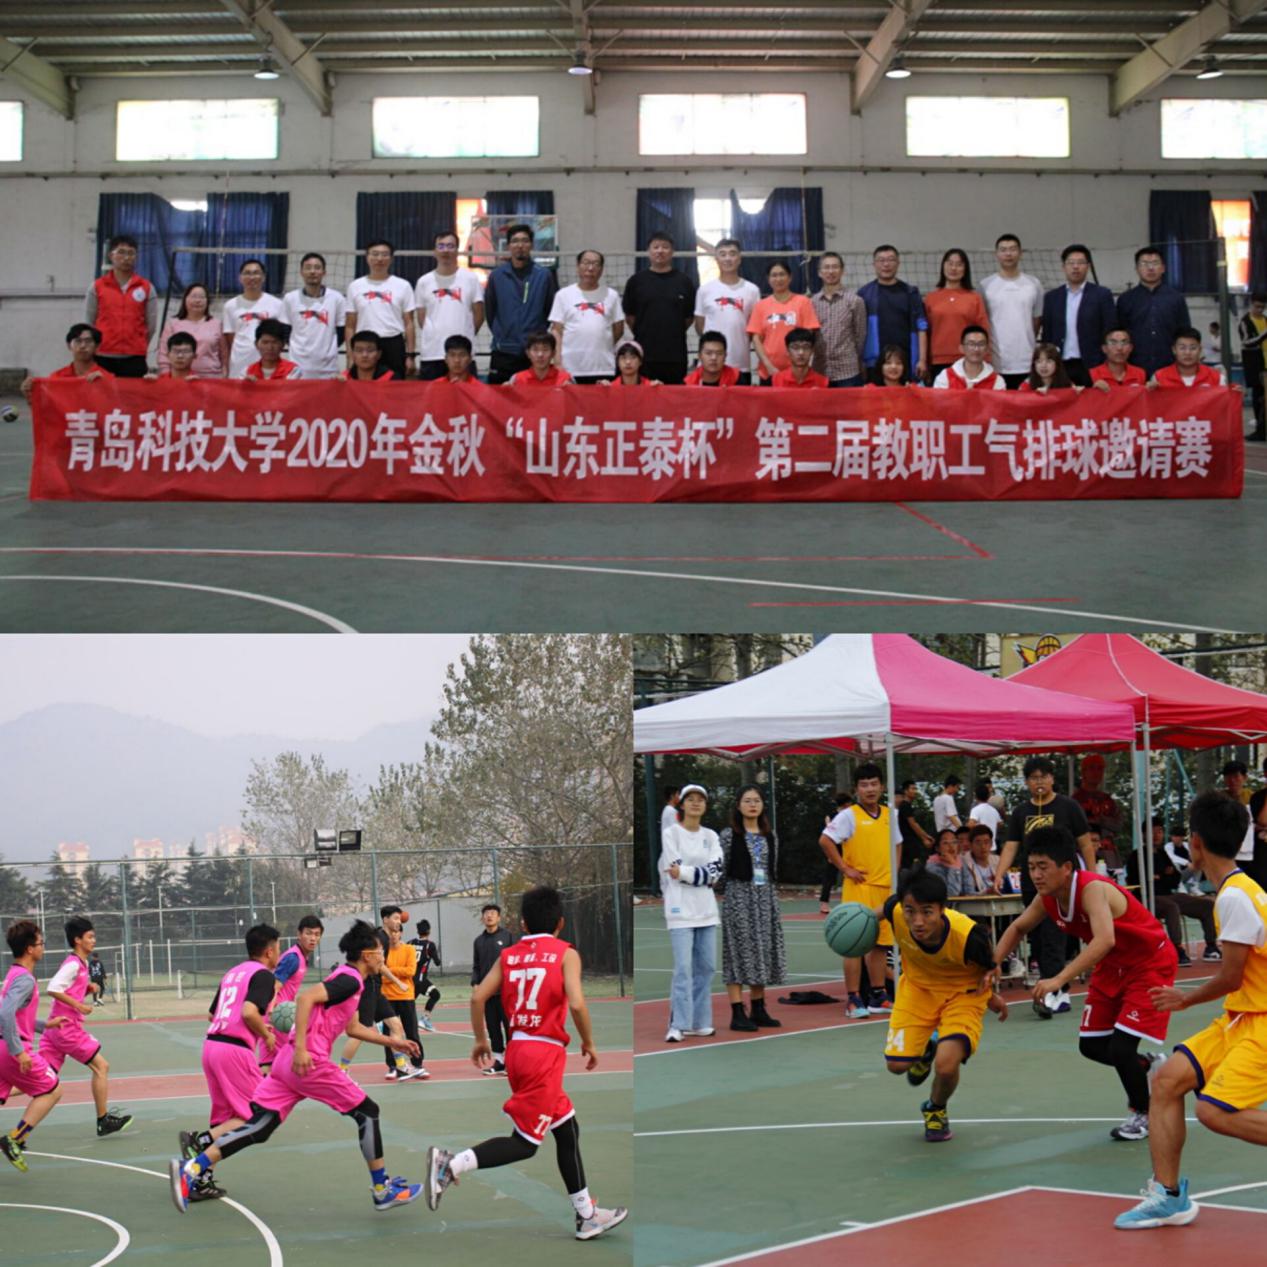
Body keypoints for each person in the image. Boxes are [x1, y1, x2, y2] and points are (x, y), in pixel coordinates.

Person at [171, 920, 425, 1214]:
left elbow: (353, 1028)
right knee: (368, 1112)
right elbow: (305, 998)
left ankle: (192, 1169)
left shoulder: (350, 980)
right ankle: (382, 1189)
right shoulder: (351, 980)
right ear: (367, 955)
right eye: (381, 951)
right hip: (309, 1061)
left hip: (285, 1063)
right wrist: (303, 1048)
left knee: (260, 1126)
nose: (383, 957)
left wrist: (394, 1043)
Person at [425, 885, 628, 1240]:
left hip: (518, 1049)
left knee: (567, 1128)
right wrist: (590, 1043)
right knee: (525, 1143)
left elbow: (477, 997)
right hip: (543, 1055)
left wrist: (481, 1040)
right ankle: (450, 1164)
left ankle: (586, 1214)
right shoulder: (566, 954)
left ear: (522, 923)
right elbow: (577, 1004)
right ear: (560, 922)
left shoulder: (509, 955)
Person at [1114, 793, 1267, 1230]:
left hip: (1261, 1022)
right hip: (1242, 1017)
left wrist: (1183, 998)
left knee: (1214, 1111)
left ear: (1195, 842)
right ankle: (1168, 1197)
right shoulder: (1239, 891)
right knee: (1167, 1080)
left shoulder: (1235, 897)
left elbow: (1231, 977)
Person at [996, 826, 1174, 1142]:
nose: (1036, 875)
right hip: (1113, 966)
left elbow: (1105, 939)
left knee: (1121, 1047)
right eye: (1031, 867)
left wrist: (1059, 979)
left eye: (1043, 867)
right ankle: (1145, 1065)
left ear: (1066, 867)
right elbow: (1018, 928)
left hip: (1148, 963)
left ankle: (1144, 1113)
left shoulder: (1092, 889)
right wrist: (991, 965)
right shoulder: (1047, 898)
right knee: (1091, 1046)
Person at [879, 868, 1007, 1142]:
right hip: (918, 989)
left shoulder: (970, 937)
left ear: (942, 909)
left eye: (927, 912)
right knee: (897, 1065)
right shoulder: (896, 911)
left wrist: (992, 998)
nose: (918, 921)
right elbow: (878, 912)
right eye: (910, 911)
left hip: (963, 995)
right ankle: (925, 1052)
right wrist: (860, 921)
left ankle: (935, 1108)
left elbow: (988, 969)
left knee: (947, 1065)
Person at [177, 922, 282, 1203]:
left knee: (225, 1120)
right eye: (278, 948)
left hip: (212, 1046)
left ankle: (200, 1179)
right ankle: (199, 1142)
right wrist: (266, 1035)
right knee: (255, 1117)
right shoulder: (263, 975)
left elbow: (213, 1015)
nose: (279, 954)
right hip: (234, 1051)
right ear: (269, 951)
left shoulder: (233, 973)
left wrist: (254, 1025)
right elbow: (248, 1012)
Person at [992, 755, 1097, 1016]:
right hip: (1033, 884)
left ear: (1052, 779)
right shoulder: (1021, 812)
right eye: (1033, 778)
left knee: (1054, 932)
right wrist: (999, 874)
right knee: (1036, 936)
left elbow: (1085, 843)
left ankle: (1057, 992)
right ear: (1027, 782)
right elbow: (1011, 846)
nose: (1039, 782)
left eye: (1043, 777)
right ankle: (1051, 986)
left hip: (1062, 884)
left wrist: (1093, 875)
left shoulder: (1068, 807)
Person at [40, 916, 132, 1139]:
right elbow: (53, 988)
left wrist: (86, 989)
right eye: (90, 937)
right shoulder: (73, 964)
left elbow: (68, 989)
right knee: (101, 1066)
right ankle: (103, 1120)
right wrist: (79, 1005)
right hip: (66, 1029)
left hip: (55, 1030)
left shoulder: (80, 965)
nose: (94, 940)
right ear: (77, 940)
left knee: (41, 1077)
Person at [820, 762, 895, 1019]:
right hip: (860, 887)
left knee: (881, 945)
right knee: (854, 943)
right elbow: (825, 840)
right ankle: (853, 998)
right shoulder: (848, 815)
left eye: (874, 784)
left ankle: (878, 995)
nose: (870, 789)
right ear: (856, 789)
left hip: (885, 888)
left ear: (882, 786)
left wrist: (895, 874)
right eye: (864, 785)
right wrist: (844, 868)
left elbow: (897, 844)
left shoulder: (890, 814)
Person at [718, 784, 786, 1032]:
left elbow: (771, 867)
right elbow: (722, 868)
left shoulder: (770, 835)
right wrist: (730, 893)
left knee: (762, 951)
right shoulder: (728, 835)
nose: (752, 805)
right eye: (747, 800)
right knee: (738, 953)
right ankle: (737, 1011)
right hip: (739, 898)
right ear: (738, 805)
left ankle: (758, 1007)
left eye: (756, 800)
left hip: (765, 897)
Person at [0, 920, 67, 1172]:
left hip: (3, 1046)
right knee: (52, 1090)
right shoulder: (25, 980)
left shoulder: (13, 975)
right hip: (12, 1049)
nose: (43, 947)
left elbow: (13, 1014)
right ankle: (15, 1139)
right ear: (30, 948)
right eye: (40, 943)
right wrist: (18, 1051)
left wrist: (45, 1025)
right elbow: (5, 1013)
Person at [659, 783, 723, 1042]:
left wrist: (687, 873)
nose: (696, 803)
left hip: (707, 911)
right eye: (690, 799)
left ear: (705, 806)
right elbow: (673, 868)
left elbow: (716, 871)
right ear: (682, 804)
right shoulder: (671, 833)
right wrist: (697, 874)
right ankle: (678, 1024)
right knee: (683, 969)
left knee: (706, 968)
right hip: (679, 911)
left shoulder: (711, 836)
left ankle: (699, 1022)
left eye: (701, 799)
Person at [339, 906, 422, 1081]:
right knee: (359, 1032)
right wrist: (398, 982)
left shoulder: (382, 937)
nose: (399, 922)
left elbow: (380, 964)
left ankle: (401, 1066)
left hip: (376, 990)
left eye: (399, 919)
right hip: (368, 987)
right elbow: (380, 965)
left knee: (395, 1025)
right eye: (395, 918)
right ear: (385, 920)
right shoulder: (381, 938)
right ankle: (342, 1070)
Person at [1127, 819, 1219, 967]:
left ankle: (1211, 946)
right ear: (1143, 834)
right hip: (1147, 897)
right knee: (1171, 907)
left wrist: (1160, 877)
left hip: (1168, 894)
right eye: (1152, 832)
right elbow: (1136, 880)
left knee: (1207, 905)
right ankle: (1177, 948)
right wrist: (1163, 876)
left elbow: (1175, 879)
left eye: (1159, 831)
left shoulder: (1163, 854)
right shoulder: (1136, 856)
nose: (1156, 835)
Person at [484, 223, 558, 384]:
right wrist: (503, 335)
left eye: (525, 241)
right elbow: (490, 311)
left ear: (531, 245)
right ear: (508, 246)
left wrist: (534, 337)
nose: (520, 245)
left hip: (533, 353)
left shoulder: (544, 275)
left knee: (534, 397)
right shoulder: (497, 276)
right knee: (499, 396)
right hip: (503, 351)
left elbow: (550, 311)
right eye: (515, 241)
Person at [621, 232, 696, 384]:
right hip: (644, 355)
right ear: (648, 251)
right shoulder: (636, 281)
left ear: (672, 251)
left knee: (674, 396)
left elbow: (688, 318)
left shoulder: (684, 281)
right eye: (656, 247)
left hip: (675, 355)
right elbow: (630, 317)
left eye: (665, 247)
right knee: (644, 397)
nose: (660, 251)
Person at [1040, 244, 1117, 387]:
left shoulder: (1102, 295)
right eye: (1071, 263)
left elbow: (1109, 330)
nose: (1076, 267)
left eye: (1080, 263)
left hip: (1092, 364)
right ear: (1063, 267)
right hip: (1060, 364)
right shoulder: (1052, 297)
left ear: (1088, 266)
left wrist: (1104, 360)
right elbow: (1047, 334)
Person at [414, 229, 485, 381]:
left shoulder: (471, 279)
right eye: (441, 246)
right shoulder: (424, 282)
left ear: (457, 250)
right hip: (432, 354)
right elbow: (421, 319)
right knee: (433, 396)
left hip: (463, 355)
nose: (445, 250)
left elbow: (479, 315)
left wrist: (464, 336)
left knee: (465, 396)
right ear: (434, 251)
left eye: (450, 246)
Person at [86, 233, 157, 377]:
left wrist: (137, 343)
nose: (126, 257)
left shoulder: (146, 287)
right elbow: (90, 321)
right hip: (103, 355)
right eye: (121, 252)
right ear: (111, 256)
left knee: (133, 393)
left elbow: (151, 325)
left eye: (131, 253)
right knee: (102, 392)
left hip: (135, 357)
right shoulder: (97, 286)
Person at [548, 250, 625, 383]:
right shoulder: (563, 295)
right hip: (570, 367)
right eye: (586, 263)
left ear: (601, 269)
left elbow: (618, 328)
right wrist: (558, 362)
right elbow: (556, 331)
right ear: (577, 267)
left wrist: (601, 342)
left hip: (603, 367)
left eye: (595, 264)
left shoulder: (612, 295)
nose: (590, 268)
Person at [979, 233, 1044, 389]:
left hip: (1027, 361)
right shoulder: (985, 285)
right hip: (996, 362)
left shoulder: (1034, 284)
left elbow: (1037, 320)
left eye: (1013, 249)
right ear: (996, 254)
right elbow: (983, 321)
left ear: (1020, 253)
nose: (1008, 254)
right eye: (1003, 250)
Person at [1116, 246, 1192, 378]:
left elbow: (1185, 333)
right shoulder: (1125, 299)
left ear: (1163, 268)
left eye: (1155, 263)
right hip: (1134, 367)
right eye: (1144, 264)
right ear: (1137, 269)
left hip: (1170, 367)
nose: (1150, 268)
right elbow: (1119, 335)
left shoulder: (1176, 298)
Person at [345, 240, 416, 380]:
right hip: (365, 345)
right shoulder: (355, 286)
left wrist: (411, 355)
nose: (379, 259)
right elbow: (350, 325)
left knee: (394, 388)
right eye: (375, 254)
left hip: (393, 343)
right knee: (363, 389)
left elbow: (409, 323)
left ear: (391, 258)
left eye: (384, 254)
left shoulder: (403, 285)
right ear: (367, 257)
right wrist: (350, 356)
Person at [858, 245, 928, 385]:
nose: (886, 264)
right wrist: (860, 361)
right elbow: (857, 332)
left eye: (891, 260)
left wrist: (922, 360)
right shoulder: (864, 294)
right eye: (881, 260)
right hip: (874, 363)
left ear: (898, 263)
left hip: (907, 361)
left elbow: (921, 327)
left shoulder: (911, 293)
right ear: (874, 264)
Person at [694, 238, 759, 383]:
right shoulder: (704, 290)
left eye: (732, 254)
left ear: (739, 258)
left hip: (740, 364)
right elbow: (700, 325)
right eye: (722, 254)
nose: (728, 258)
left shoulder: (752, 290)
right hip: (710, 367)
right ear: (716, 258)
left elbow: (754, 328)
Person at [264, 914, 324, 1069]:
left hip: (283, 1013)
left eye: (317, 934)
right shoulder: (293, 958)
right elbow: (275, 985)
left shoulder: (302, 957)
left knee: (276, 1063)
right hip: (277, 1015)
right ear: (299, 934)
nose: (313, 938)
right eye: (308, 933)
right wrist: (271, 1011)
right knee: (286, 1061)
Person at [746, 260, 820, 384]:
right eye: (774, 275)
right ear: (768, 279)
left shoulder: (803, 302)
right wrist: (768, 366)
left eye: (782, 274)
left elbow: (809, 335)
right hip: (768, 372)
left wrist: (799, 363)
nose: (778, 279)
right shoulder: (760, 306)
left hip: (797, 372)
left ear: (790, 277)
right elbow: (756, 339)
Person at [923, 248, 990, 384]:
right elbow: (925, 332)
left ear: (965, 269)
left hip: (969, 360)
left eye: (959, 264)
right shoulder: (930, 298)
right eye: (950, 263)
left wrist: (987, 359)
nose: (954, 268)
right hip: (937, 361)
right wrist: (924, 360)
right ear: (943, 266)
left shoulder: (974, 298)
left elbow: (983, 331)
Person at [282, 252, 347, 379]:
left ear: (324, 272)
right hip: (297, 368)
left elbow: (342, 330)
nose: (312, 272)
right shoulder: (290, 298)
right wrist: (300, 348)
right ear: (301, 272)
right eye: (308, 268)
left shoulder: (337, 298)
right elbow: (285, 330)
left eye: (317, 268)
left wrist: (328, 350)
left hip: (328, 369)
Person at [472, 902, 517, 1073]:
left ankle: (512, 1061)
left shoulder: (508, 937)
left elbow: (515, 961)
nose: (489, 916)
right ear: (482, 918)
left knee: (509, 1027)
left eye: (492, 913)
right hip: (487, 994)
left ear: (499, 917)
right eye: (486, 913)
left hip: (506, 992)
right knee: (493, 1027)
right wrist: (475, 983)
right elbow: (476, 966)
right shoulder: (479, 941)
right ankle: (499, 1062)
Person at [810, 251, 867, 387]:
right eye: (826, 267)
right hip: (820, 370)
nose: (831, 271)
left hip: (848, 372)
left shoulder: (855, 301)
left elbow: (860, 336)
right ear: (819, 272)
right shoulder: (812, 302)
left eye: (835, 267)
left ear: (842, 271)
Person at [221, 258, 284, 379]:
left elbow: (279, 336)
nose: (251, 277)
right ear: (240, 278)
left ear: (263, 277)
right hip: (240, 362)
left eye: (256, 273)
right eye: (247, 273)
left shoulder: (277, 304)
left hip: (268, 364)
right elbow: (230, 339)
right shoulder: (230, 305)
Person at [20, 323, 114, 401]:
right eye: (78, 341)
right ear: (69, 346)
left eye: (88, 341)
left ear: (97, 347)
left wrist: (106, 384)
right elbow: (47, 408)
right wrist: (30, 395)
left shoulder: (106, 377)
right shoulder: (57, 377)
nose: (83, 346)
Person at [382, 919, 427, 1079]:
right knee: (389, 1034)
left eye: (396, 932)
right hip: (387, 997)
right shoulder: (383, 951)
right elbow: (381, 975)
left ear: (401, 933)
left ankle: (417, 1064)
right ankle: (393, 1066)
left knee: (411, 1031)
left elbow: (410, 971)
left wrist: (390, 971)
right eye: (391, 932)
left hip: (406, 996)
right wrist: (393, 974)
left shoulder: (409, 949)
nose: (393, 935)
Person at [158, 282, 223, 377]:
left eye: (202, 297)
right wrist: (166, 376)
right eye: (193, 296)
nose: (197, 300)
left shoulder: (217, 324)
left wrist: (225, 374)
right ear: (185, 299)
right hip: (180, 377)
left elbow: (224, 354)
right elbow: (164, 354)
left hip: (211, 376)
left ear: (207, 301)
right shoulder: (172, 324)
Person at [931, 325, 1005, 390]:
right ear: (961, 348)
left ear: (987, 349)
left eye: (981, 344)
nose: (976, 349)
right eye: (971, 344)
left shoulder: (997, 381)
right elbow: (938, 401)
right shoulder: (945, 377)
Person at [1150, 327, 1228, 388]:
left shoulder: (1217, 378)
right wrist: (1149, 393)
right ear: (1174, 350)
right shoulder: (1159, 378)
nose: (1187, 353)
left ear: (1200, 350)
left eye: (1193, 348)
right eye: (1182, 348)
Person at [1237, 292, 1266, 440]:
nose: (1259, 310)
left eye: (1262, 307)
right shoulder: (1245, 322)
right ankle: (1260, 430)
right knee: (1259, 397)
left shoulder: (1265, 320)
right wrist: (1263, 335)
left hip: (1265, 362)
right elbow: (1247, 342)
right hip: (1255, 365)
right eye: (1257, 307)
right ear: (1251, 304)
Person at [820, 791, 855, 912]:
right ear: (846, 804)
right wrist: (830, 855)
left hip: (849, 849)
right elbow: (829, 836)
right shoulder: (833, 816)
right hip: (836, 849)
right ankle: (824, 903)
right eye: (850, 803)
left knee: (852, 875)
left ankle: (851, 901)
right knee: (830, 876)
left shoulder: (852, 815)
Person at [1072, 755, 1122, 837]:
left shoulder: (1108, 800)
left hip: (1106, 843)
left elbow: (1119, 825)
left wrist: (1102, 820)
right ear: (1083, 772)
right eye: (1092, 768)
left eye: (1100, 768)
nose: (1096, 772)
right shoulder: (1075, 800)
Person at [408, 919, 442, 1032]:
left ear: (418, 931)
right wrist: (436, 954)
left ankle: (386, 1021)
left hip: (409, 978)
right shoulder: (430, 945)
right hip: (420, 979)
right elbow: (437, 962)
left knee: (407, 1004)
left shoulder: (410, 943)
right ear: (429, 931)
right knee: (435, 995)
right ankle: (424, 1019)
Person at [509, 331, 573, 387]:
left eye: (545, 350)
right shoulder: (517, 379)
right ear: (528, 353)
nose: (540, 355)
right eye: (535, 350)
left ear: (553, 353)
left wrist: (571, 391)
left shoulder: (566, 379)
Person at [896, 780, 934, 874]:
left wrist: (925, 836)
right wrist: (924, 838)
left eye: (915, 789)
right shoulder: (905, 806)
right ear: (906, 791)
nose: (915, 791)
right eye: (912, 789)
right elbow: (913, 824)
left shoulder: (907, 806)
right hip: (908, 842)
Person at [926, 829, 967, 897]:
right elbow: (951, 894)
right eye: (945, 843)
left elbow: (970, 890)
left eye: (954, 842)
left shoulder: (960, 861)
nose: (951, 846)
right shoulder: (932, 867)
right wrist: (954, 866)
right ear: (937, 848)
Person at [962, 827, 998, 895]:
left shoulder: (998, 861)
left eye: (986, 842)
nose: (983, 846)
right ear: (970, 845)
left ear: (991, 844)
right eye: (978, 843)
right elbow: (966, 893)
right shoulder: (963, 862)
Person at [967, 782, 1003, 848]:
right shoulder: (994, 810)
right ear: (988, 796)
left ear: (976, 796)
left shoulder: (975, 810)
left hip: (980, 847)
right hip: (992, 846)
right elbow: (1000, 824)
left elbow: (970, 825)